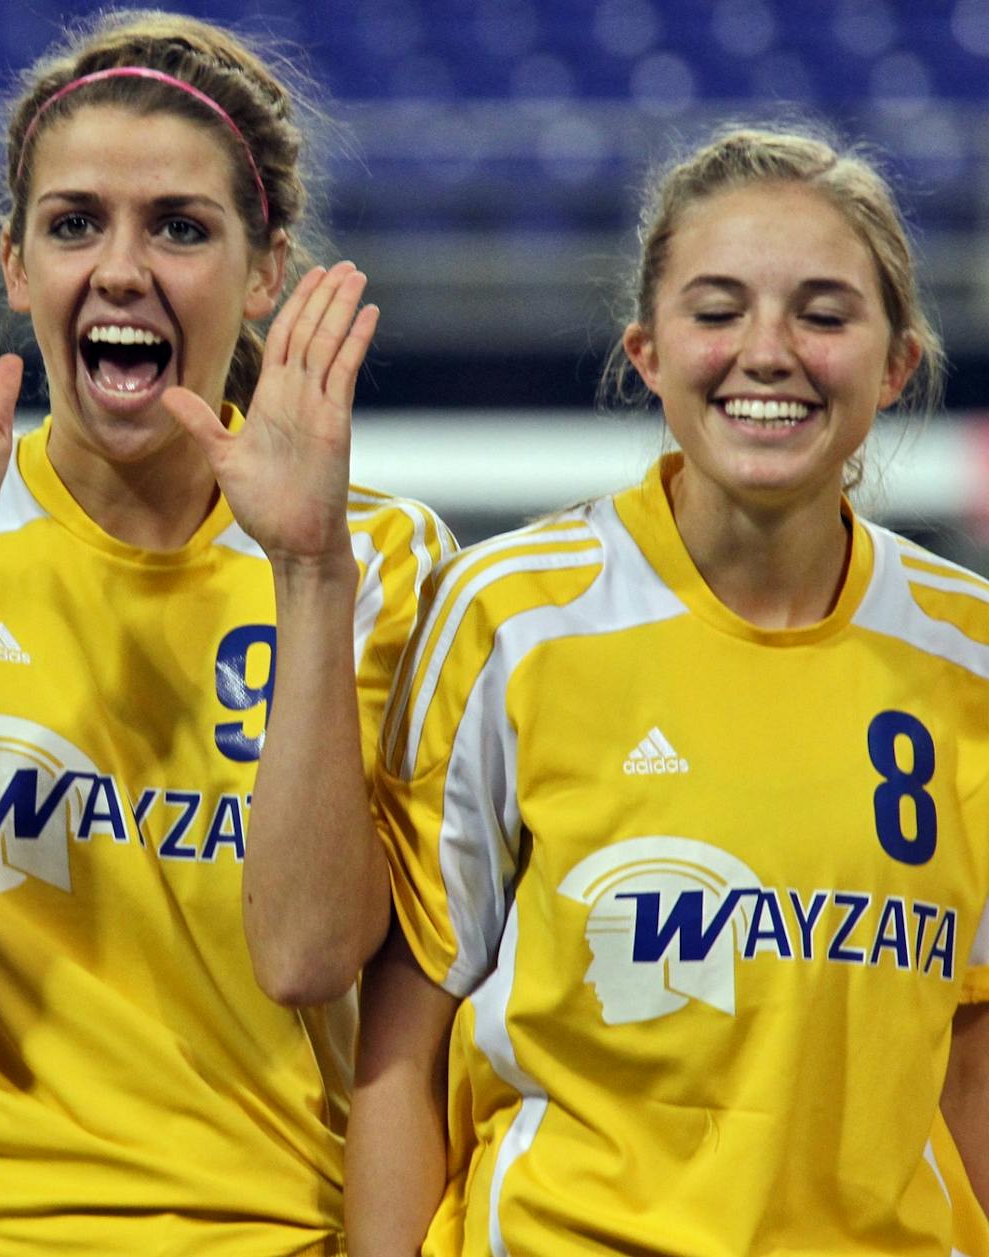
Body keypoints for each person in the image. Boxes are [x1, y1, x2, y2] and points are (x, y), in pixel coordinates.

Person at [0, 11, 451, 1252]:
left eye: (181, 228)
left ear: (269, 268)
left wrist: (306, 571)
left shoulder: (381, 563)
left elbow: (307, 956)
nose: (122, 269)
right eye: (75, 223)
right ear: (16, 268)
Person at [348, 124, 989, 1254]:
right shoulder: (508, 615)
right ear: (647, 352)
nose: (770, 351)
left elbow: (969, 1058)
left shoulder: (971, 655)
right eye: (717, 309)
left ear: (896, 363)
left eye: (825, 314)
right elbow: (400, 1043)